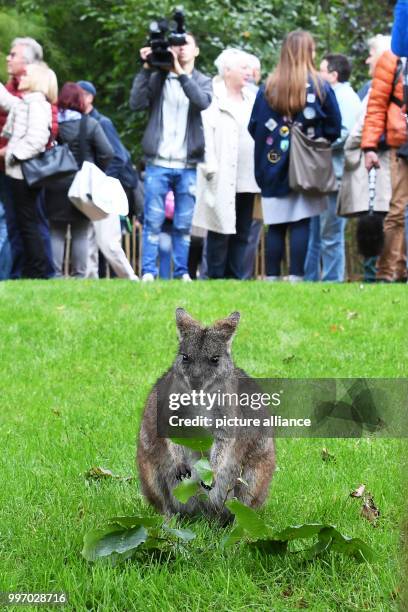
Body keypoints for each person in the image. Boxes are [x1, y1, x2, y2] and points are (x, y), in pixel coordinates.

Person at [248, 30, 341, 282]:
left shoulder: (269, 86)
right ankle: (296, 277)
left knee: (276, 225)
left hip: (272, 163)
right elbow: (334, 126)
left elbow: (253, 125)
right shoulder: (320, 86)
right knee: (301, 221)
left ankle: (271, 277)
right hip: (307, 166)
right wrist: (311, 138)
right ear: (309, 52)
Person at [129, 33, 212, 281]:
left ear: (196, 50)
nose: (181, 50)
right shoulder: (158, 78)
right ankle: (148, 272)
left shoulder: (202, 80)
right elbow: (136, 103)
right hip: (158, 162)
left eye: (186, 45)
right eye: (176, 46)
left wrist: (180, 73)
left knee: (184, 225)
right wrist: (146, 69)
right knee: (152, 221)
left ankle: (182, 272)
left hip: (187, 163)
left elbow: (202, 101)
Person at [193, 48, 260, 279]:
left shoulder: (253, 98)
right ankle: (215, 276)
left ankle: (235, 277)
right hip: (220, 174)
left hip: (247, 175)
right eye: (243, 68)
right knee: (219, 228)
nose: (248, 72)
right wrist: (210, 166)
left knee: (243, 228)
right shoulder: (213, 98)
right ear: (227, 71)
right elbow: (207, 135)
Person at [44, 83, 113, 278]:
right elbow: (108, 152)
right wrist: (96, 171)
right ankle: (79, 275)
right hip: (82, 185)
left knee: (56, 230)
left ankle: (55, 274)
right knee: (80, 231)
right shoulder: (89, 124)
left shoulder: (53, 124)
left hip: (54, 183)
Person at [337, 36, 392, 283]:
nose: (367, 59)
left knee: (377, 221)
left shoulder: (378, 88)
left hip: (377, 166)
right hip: (388, 163)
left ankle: (378, 274)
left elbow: (361, 129)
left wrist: (350, 153)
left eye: (371, 53)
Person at [0, 37, 56, 279]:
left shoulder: (37, 103)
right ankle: (24, 272)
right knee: (19, 224)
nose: (8, 59)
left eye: (13, 55)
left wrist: (10, 154)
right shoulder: (24, 100)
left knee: (30, 223)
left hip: (22, 171)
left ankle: (39, 271)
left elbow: (37, 138)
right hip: (13, 171)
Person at [304, 54, 362, 282]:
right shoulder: (334, 94)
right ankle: (310, 280)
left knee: (331, 234)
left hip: (336, 174)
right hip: (325, 174)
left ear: (334, 75)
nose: (318, 75)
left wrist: (317, 143)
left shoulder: (345, 98)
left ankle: (332, 281)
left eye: (322, 70)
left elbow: (344, 134)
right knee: (317, 233)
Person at [76, 80, 138, 281]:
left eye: (78, 95)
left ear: (89, 97)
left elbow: (119, 157)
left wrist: (101, 185)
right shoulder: (81, 122)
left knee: (108, 241)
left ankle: (130, 278)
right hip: (98, 188)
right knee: (93, 238)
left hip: (109, 188)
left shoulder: (101, 123)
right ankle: (96, 279)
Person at [362, 47, 408, 282]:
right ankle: (387, 272)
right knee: (396, 210)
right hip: (400, 145)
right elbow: (377, 105)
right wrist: (369, 146)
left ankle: (400, 269)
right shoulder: (392, 59)